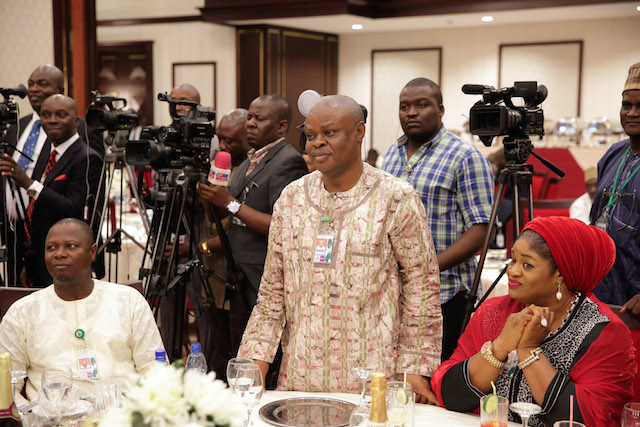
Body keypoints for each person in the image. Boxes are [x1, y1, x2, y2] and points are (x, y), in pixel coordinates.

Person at [237, 95, 442, 402]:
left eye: (329, 133)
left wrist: (414, 368)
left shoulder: (395, 198)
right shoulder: (292, 199)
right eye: (310, 136)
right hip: (300, 378)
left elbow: (422, 287)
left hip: (373, 382)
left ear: (359, 132)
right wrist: (255, 366)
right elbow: (271, 294)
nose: (316, 143)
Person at [431, 216, 635, 427]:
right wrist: (499, 347)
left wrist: (528, 351)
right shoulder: (494, 312)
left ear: (560, 275)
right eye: (513, 260)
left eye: (527, 265)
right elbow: (449, 394)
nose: (512, 271)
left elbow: (587, 419)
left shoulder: (603, 332)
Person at [382, 78, 494, 360]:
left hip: (446, 294)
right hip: (395, 293)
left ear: (440, 109)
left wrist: (427, 267)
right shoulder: (391, 156)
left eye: (422, 105)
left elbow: (482, 229)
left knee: (437, 383)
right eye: (404, 106)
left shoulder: (465, 157)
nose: (411, 112)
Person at [0, 218, 164, 405]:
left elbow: (154, 369)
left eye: (70, 246)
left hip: (121, 415)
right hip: (50, 420)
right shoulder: (22, 312)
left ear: (92, 251)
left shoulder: (129, 301)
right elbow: (7, 386)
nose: (59, 254)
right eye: (51, 248)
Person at [198, 94, 308, 358]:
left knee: (265, 353)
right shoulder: (247, 161)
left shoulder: (288, 162)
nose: (250, 123)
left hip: (263, 275)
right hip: (237, 274)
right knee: (241, 350)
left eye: (260, 118)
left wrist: (231, 204)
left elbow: (283, 227)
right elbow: (220, 216)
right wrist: (210, 197)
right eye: (249, 116)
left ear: (281, 126)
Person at [0, 95, 102, 288]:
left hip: (66, 262)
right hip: (36, 258)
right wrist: (28, 262)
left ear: (76, 121)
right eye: (46, 115)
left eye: (60, 114)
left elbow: (74, 209)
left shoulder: (87, 158)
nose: (52, 120)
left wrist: (29, 184)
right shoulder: (47, 154)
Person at [590, 62, 640, 312]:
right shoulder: (614, 153)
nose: (632, 113)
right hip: (599, 287)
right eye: (626, 105)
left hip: (635, 297)